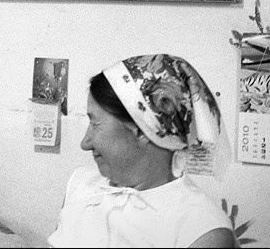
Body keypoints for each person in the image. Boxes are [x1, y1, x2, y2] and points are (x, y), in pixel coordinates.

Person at [48, 54, 236, 248]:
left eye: (95, 123)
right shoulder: (81, 184)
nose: (85, 143)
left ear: (142, 130)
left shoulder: (202, 231)